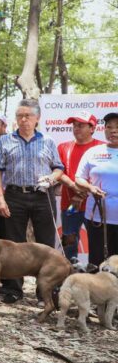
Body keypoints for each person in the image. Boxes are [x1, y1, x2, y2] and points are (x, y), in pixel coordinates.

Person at [0, 99, 64, 304]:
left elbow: (58, 168)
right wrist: (0, 198)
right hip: (14, 195)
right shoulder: (5, 141)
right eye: (20, 116)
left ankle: (45, 292)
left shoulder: (48, 141)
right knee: (13, 243)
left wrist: (51, 178)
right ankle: (13, 289)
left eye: (28, 115)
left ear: (37, 118)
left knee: (45, 243)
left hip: (42, 196)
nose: (23, 120)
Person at [57, 111, 103, 260]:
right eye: (74, 125)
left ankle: (97, 272)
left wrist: (84, 192)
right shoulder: (64, 147)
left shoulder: (102, 148)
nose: (76, 128)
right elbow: (58, 172)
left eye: (81, 125)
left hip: (95, 206)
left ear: (92, 128)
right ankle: (69, 270)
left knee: (98, 243)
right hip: (71, 206)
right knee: (68, 241)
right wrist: (73, 186)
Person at [75, 112, 118, 264]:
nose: (113, 131)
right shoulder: (93, 152)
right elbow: (78, 178)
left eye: (117, 127)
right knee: (97, 262)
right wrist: (90, 188)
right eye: (109, 127)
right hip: (98, 219)